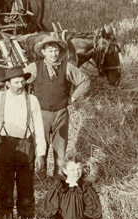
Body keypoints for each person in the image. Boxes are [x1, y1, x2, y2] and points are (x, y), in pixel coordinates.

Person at [0, 66, 47, 219]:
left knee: (26, 188)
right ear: (7, 84)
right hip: (4, 147)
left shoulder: (32, 100)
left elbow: (39, 128)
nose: (20, 86)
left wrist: (41, 153)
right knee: (5, 189)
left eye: (22, 82)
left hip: (27, 146)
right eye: (16, 83)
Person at [26, 36, 90, 178]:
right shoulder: (34, 68)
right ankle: (39, 177)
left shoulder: (67, 67)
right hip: (41, 114)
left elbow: (85, 81)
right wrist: (27, 101)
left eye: (56, 50)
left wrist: (73, 98)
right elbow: (18, 80)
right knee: (40, 148)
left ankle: (59, 178)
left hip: (61, 113)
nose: (53, 54)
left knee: (60, 149)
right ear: (43, 52)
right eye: (50, 50)